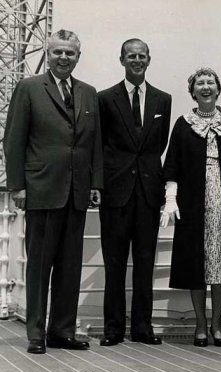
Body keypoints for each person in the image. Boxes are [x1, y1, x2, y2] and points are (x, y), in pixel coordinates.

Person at [3, 29, 103, 354]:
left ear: (78, 56)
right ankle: (36, 334)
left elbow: (95, 144)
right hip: (41, 190)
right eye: (58, 52)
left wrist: (95, 184)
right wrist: (17, 185)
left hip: (76, 193)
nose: (63, 58)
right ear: (48, 54)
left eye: (69, 53)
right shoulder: (29, 88)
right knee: (39, 266)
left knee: (70, 267)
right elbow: (14, 140)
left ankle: (62, 331)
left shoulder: (88, 94)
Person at [161, 67, 221, 347]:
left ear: (218, 89)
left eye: (210, 82)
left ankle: (217, 324)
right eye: (200, 83)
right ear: (192, 91)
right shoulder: (183, 124)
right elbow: (173, 167)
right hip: (193, 205)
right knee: (196, 264)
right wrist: (170, 200)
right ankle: (200, 324)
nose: (205, 87)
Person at [97, 38, 172, 346]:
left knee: (145, 261)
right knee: (114, 262)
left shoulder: (162, 100)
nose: (137, 60)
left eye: (142, 56)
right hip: (116, 192)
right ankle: (113, 328)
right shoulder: (105, 98)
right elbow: (100, 145)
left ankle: (143, 327)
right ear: (122, 60)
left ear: (149, 60)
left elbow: (160, 144)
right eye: (131, 56)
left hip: (148, 192)